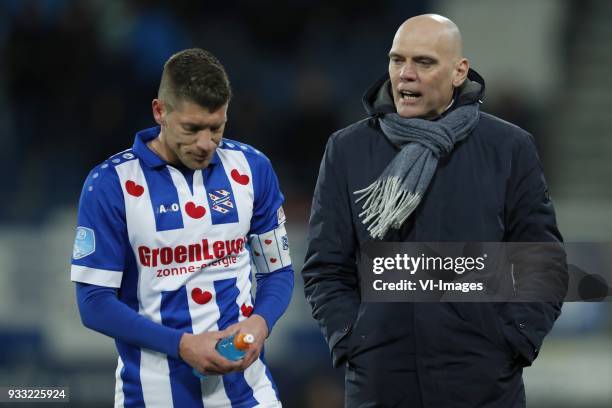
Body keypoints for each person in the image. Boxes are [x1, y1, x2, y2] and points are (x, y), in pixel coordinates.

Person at [302, 14, 567, 408]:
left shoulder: (509, 148)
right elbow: (326, 266)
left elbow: (543, 263)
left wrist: (514, 340)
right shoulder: (348, 149)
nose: (405, 75)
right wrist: (352, 338)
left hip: (483, 380)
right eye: (397, 60)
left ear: (459, 71)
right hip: (381, 381)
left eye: (424, 62)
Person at [71, 48, 293, 407]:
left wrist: (260, 323)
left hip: (248, 394)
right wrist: (182, 346)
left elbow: (278, 271)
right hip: (150, 394)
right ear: (160, 111)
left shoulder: (253, 168)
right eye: (192, 128)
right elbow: (94, 303)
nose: (206, 143)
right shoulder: (110, 184)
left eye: (216, 128)